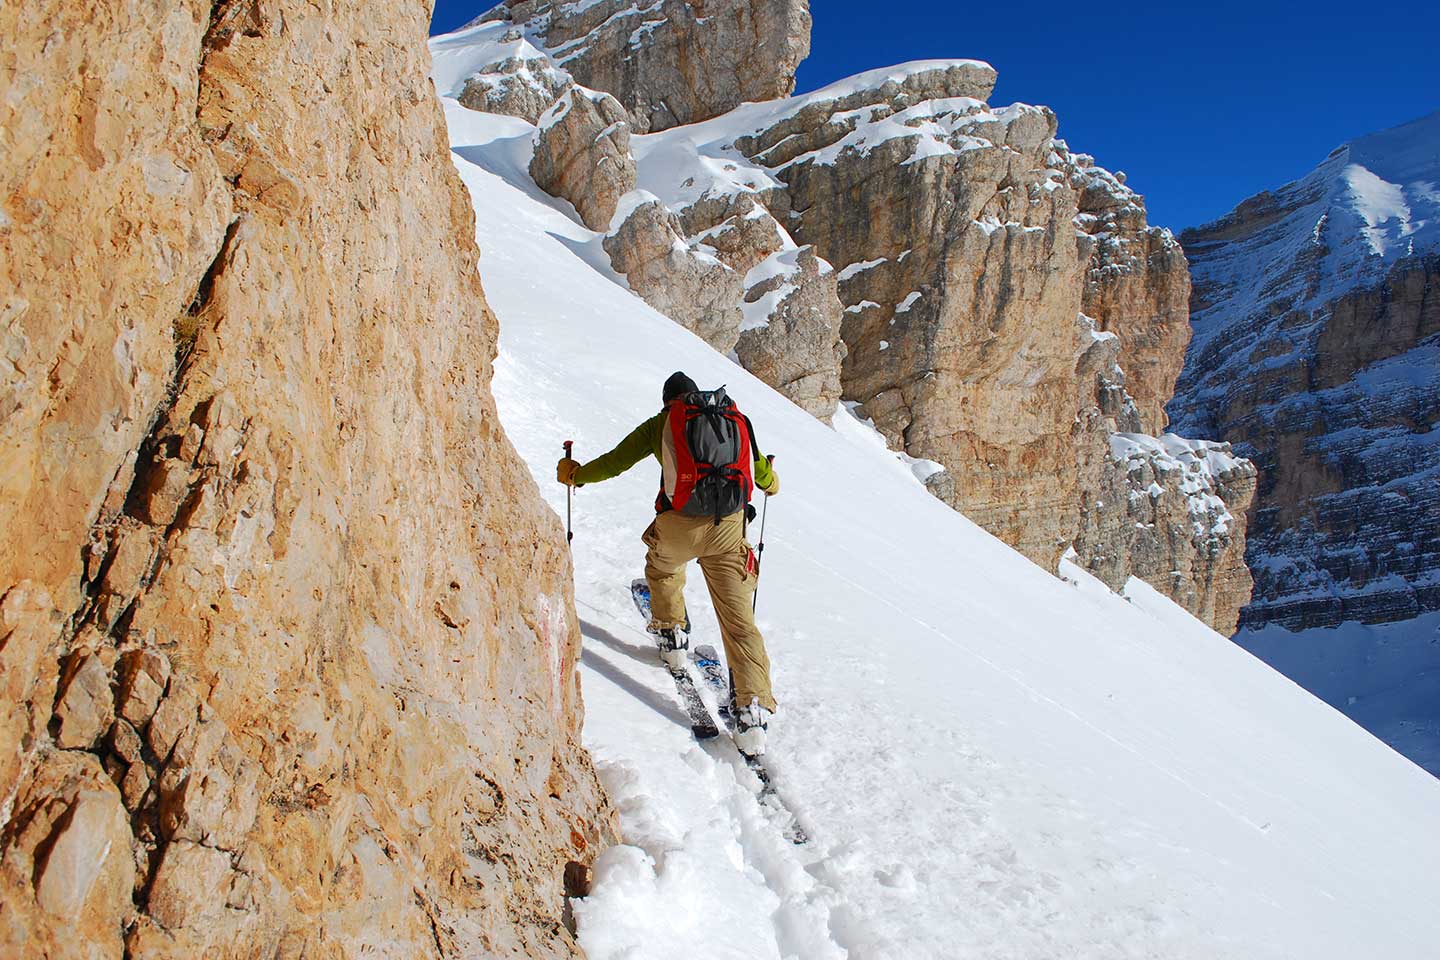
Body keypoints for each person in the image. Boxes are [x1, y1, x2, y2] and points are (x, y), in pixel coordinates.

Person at [556, 372, 780, 756]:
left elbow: (614, 463)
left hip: (678, 526)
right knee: (740, 623)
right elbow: (764, 479)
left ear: (669, 402)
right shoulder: (734, 421)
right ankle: (752, 711)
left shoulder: (662, 423)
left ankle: (672, 636)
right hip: (728, 529)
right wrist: (771, 479)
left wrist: (576, 475)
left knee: (663, 570)